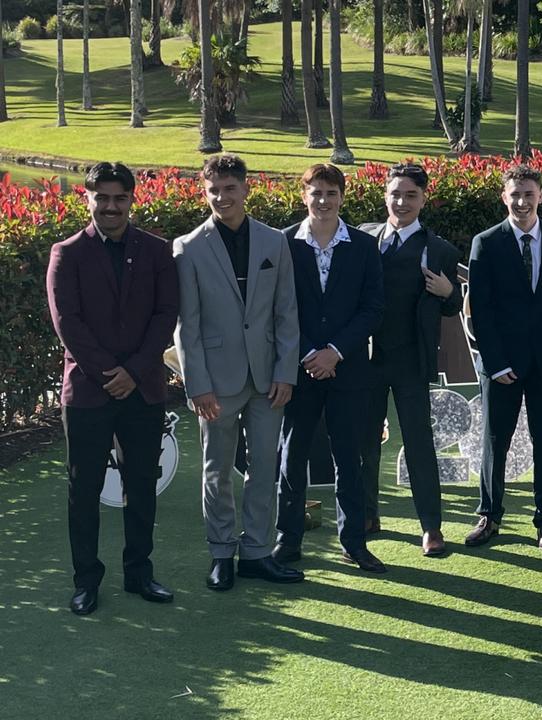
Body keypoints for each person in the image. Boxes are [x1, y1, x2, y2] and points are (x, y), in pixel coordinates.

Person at [47, 162, 179, 615]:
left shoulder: (157, 251)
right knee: (83, 490)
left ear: (131, 199)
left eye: (119, 197)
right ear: (88, 199)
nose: (110, 206)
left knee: (142, 485)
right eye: (101, 198)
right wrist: (111, 373)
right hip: (87, 391)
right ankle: (86, 580)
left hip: (143, 391)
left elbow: (166, 316)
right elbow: (68, 324)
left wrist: (135, 371)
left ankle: (139, 573)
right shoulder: (66, 253)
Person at [173, 154, 303, 591]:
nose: (222, 197)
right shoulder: (188, 248)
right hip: (215, 383)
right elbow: (186, 326)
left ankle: (257, 552)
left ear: (247, 189)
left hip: (268, 380)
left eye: (230, 188)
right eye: (214, 189)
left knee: (265, 467)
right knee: (217, 469)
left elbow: (286, 312)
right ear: (204, 192)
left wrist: (286, 372)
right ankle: (221, 553)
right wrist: (198, 385)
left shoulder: (274, 242)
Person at [274, 164, 386, 573]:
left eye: (331, 193)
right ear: (303, 195)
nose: (323, 201)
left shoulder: (362, 245)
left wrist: (335, 352)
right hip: (299, 372)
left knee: (349, 460)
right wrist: (308, 353)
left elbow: (373, 308)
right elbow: (278, 308)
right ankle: (287, 543)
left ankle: (353, 543)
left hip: (347, 371)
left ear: (343, 196)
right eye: (315, 192)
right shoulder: (284, 243)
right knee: (291, 457)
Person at [465, 165, 542, 552]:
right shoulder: (486, 242)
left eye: (529, 194)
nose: (522, 202)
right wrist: (495, 362)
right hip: (501, 365)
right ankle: (489, 515)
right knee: (495, 440)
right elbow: (481, 307)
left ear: (540, 196)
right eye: (515, 195)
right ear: (504, 197)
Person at [357, 163, 462, 558]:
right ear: (385, 196)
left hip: (411, 362)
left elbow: (452, 307)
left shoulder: (440, 250)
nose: (402, 202)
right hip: (366, 359)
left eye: (410, 195)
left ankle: (431, 527)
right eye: (395, 194)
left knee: (419, 445)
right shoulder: (363, 238)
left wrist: (448, 289)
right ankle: (368, 515)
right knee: (365, 441)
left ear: (424, 199)